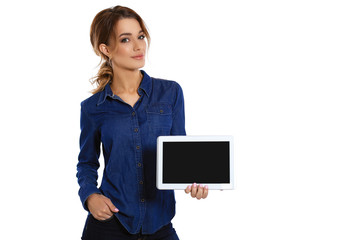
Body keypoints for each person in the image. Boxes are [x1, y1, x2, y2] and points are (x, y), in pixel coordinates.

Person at [76, 6, 208, 240]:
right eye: (126, 39)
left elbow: (180, 154)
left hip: (159, 226)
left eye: (141, 36)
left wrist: (196, 179)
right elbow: (86, 163)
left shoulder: (170, 93)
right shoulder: (92, 107)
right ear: (105, 49)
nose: (139, 46)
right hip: (109, 225)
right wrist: (90, 196)